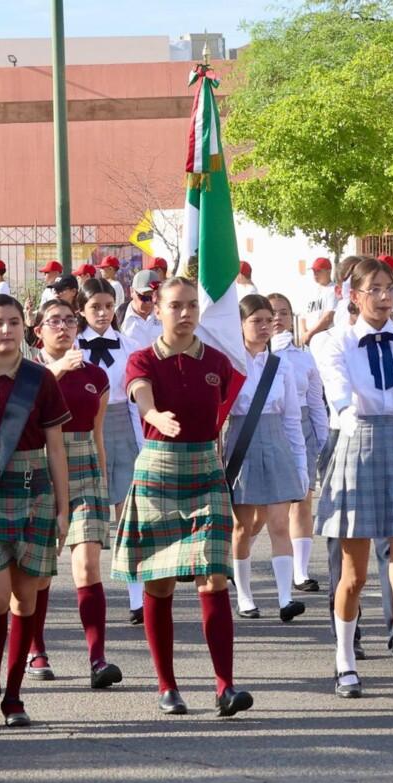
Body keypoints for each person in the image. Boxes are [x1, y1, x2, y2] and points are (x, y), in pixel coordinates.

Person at [112, 277, 254, 718]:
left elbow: (223, 410)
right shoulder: (141, 359)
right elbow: (140, 395)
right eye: (176, 306)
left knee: (213, 577)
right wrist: (154, 414)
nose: (186, 313)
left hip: (205, 470)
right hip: (158, 468)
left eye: (192, 305)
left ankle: (225, 686)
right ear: (158, 309)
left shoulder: (217, 361)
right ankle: (167, 685)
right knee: (159, 580)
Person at [315, 258, 393, 711]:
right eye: (374, 289)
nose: (385, 297)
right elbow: (337, 389)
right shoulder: (336, 342)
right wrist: (347, 413)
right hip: (356, 440)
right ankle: (345, 658)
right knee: (353, 575)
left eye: (390, 288)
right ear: (354, 295)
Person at [0, 295, 70, 727]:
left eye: (13, 322)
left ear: (25, 327)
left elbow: (57, 448)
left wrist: (64, 508)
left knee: (27, 600)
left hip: (33, 493)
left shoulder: (40, 379)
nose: (5, 330)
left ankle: (14, 695)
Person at [26, 298, 123, 688]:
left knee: (87, 565)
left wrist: (101, 476)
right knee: (40, 571)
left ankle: (97, 658)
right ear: (39, 331)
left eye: (70, 320)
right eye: (54, 321)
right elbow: (20, 414)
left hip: (84, 468)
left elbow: (97, 432)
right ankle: (36, 650)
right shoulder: (28, 371)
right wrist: (53, 370)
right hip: (41, 465)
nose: (63, 327)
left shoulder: (97, 375)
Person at [226, 295, 309, 622]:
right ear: (241, 324)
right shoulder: (230, 363)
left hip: (276, 443)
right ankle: (245, 595)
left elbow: (291, 418)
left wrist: (300, 464)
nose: (264, 327)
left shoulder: (282, 365)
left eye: (268, 320)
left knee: (279, 523)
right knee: (242, 527)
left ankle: (286, 598)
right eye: (256, 321)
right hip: (242, 442)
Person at [76, 279, 146, 624]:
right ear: (82, 310)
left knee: (129, 518)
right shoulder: (72, 347)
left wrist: (143, 444)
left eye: (107, 306)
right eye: (94, 307)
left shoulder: (131, 345)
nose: (102, 313)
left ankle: (137, 598)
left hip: (122, 429)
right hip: (85, 431)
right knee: (89, 521)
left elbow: (136, 399)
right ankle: (90, 595)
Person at [267, 293, 328, 592]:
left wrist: (325, 438)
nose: (278, 319)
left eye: (283, 313)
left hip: (301, 428)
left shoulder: (305, 357)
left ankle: (300, 572)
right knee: (260, 513)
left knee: (303, 499)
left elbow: (316, 403)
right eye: (271, 313)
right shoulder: (256, 355)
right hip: (268, 427)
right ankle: (239, 564)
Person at [118, 269, 162, 348]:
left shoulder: (165, 314)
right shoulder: (118, 315)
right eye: (144, 297)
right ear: (131, 291)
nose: (148, 302)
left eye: (153, 297)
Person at [300, 258, 337, 346]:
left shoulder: (334, 289)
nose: (315, 273)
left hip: (325, 338)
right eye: (313, 271)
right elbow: (303, 317)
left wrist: (309, 334)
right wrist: (304, 333)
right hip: (309, 340)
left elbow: (328, 317)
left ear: (328, 271)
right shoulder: (310, 292)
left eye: (318, 271)